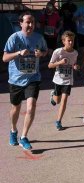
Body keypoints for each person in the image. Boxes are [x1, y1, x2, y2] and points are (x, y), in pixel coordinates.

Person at [3, 11, 48, 150]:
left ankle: (23, 136)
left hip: (33, 78)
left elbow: (45, 51)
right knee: (15, 108)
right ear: (21, 23)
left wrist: (42, 53)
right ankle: (13, 130)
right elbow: (4, 58)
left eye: (32, 22)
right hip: (16, 80)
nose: (30, 24)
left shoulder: (39, 38)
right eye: (27, 22)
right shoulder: (14, 38)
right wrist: (18, 53)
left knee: (31, 106)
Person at [48, 31, 79, 130]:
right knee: (57, 101)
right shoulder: (58, 52)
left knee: (64, 100)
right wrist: (60, 62)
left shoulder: (75, 53)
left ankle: (58, 121)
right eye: (69, 41)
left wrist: (75, 67)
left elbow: (74, 63)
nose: (71, 43)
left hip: (68, 80)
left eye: (72, 41)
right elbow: (50, 65)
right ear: (63, 41)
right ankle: (53, 95)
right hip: (58, 79)